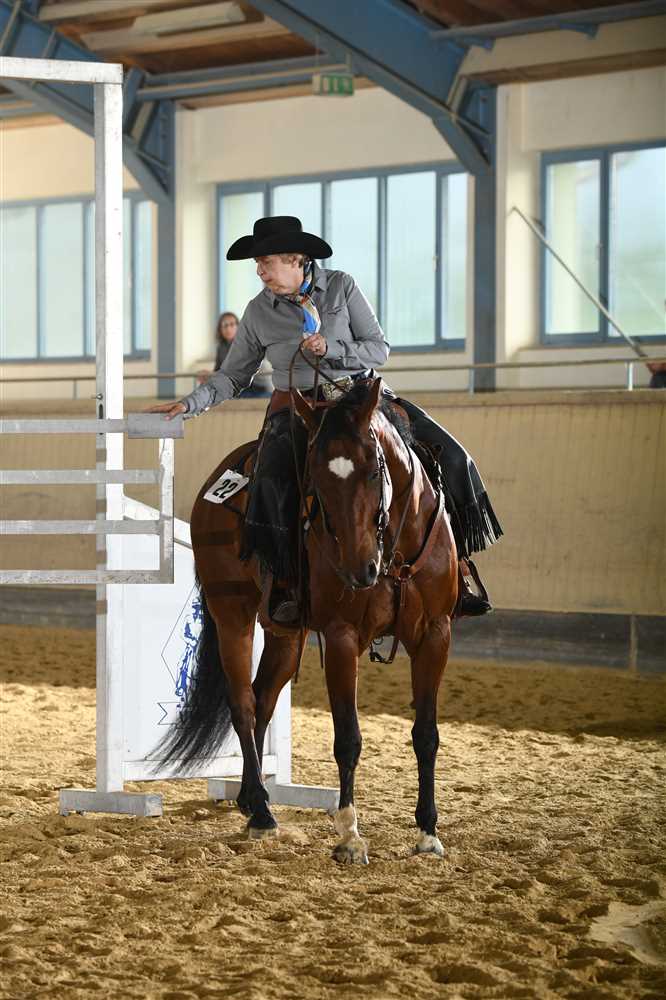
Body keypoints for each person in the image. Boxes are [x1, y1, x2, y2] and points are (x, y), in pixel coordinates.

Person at [149, 215, 501, 623]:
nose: (259, 271)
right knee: (270, 484)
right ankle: (284, 584)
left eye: (266, 262)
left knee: (451, 456)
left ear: (295, 259)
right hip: (296, 409)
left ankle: (458, 569)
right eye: (258, 264)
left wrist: (331, 348)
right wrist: (188, 405)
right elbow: (232, 375)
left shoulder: (341, 287)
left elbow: (378, 349)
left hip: (359, 399)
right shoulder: (258, 311)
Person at [198, 311, 272, 396]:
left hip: (257, 386)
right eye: (225, 325)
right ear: (220, 329)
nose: (228, 329)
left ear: (238, 326)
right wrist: (208, 375)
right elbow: (218, 370)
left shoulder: (246, 342)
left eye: (232, 324)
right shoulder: (221, 348)